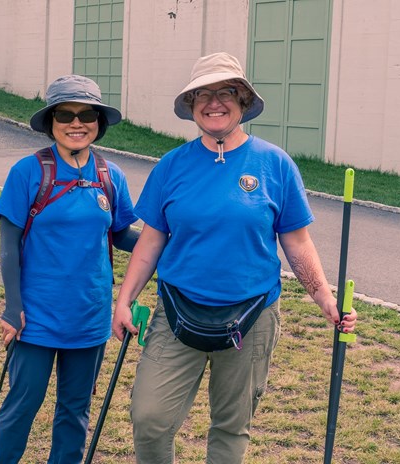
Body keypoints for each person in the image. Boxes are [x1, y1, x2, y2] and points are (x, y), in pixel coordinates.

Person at [112, 52, 357, 463]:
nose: (214, 102)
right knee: (149, 417)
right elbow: (151, 241)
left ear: (243, 100)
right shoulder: (172, 166)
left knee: (230, 427)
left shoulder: (274, 164)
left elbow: (297, 242)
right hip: (176, 313)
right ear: (191, 107)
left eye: (226, 91)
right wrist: (124, 300)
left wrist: (325, 298)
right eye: (202, 94)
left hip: (252, 317)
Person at [0, 75, 139, 464]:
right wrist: (12, 308)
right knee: (23, 405)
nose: (76, 123)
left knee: (75, 411)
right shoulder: (28, 172)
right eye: (65, 114)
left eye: (86, 114)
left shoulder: (110, 175)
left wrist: (171, 242)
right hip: (36, 317)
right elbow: (9, 248)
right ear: (51, 122)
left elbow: (122, 236)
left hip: (89, 318)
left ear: (98, 122)